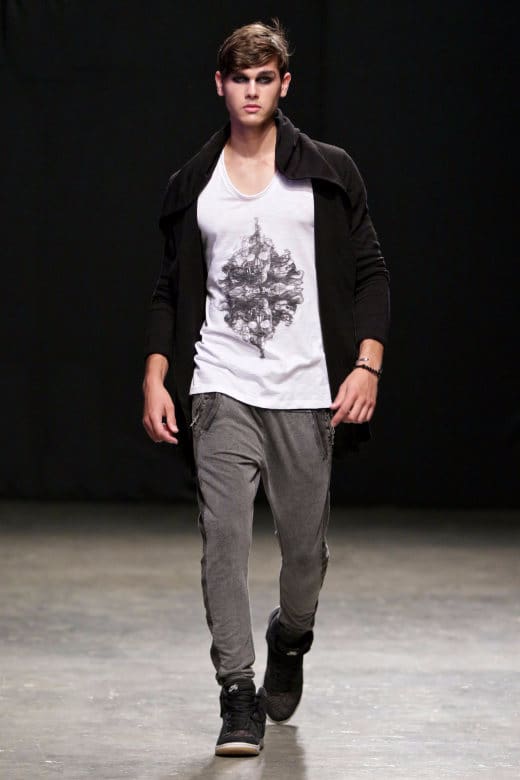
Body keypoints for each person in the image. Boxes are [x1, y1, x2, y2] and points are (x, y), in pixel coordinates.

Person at [142, 20, 390, 758]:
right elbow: (169, 289)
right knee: (222, 540)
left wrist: (367, 365)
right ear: (220, 86)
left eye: (264, 79)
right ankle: (236, 693)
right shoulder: (194, 185)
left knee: (304, 555)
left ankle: (291, 636)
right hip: (220, 385)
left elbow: (371, 272)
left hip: (308, 392)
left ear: (284, 85)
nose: (251, 92)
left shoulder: (328, 172)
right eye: (239, 79)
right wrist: (156, 374)